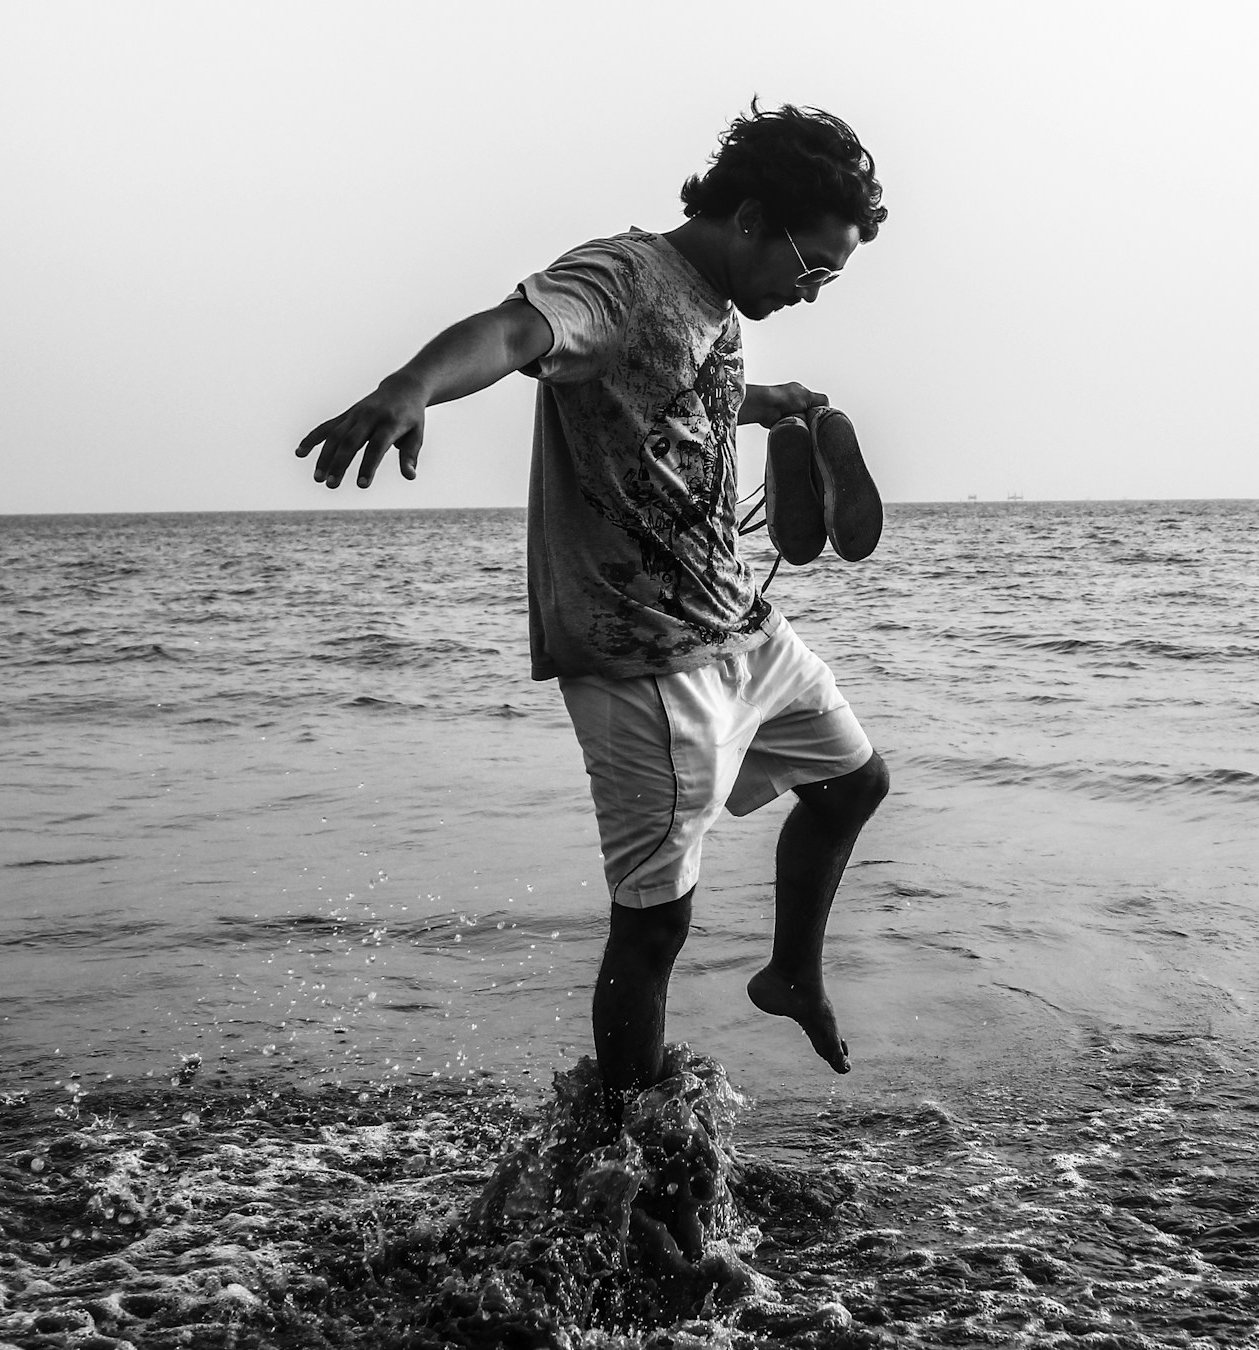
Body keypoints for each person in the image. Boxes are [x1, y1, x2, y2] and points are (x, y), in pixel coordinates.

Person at [294, 104, 890, 1109]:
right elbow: (518, 329)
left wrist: (761, 395)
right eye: (811, 266)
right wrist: (411, 387)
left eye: (830, 276)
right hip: (643, 664)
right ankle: (622, 1150)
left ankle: (791, 974)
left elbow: (671, 381)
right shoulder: (619, 277)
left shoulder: (716, 308)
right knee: (653, 925)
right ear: (750, 218)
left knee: (852, 783)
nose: (812, 290)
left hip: (740, 629)